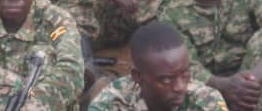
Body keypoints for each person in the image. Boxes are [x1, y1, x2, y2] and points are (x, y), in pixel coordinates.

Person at [88, 22, 228, 110]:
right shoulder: (110, 104)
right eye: (166, 79)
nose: (179, 87)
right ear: (137, 76)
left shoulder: (205, 101)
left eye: (184, 74)